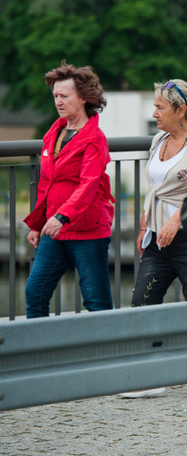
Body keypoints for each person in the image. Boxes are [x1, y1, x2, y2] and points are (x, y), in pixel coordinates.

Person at [118, 80, 187, 399]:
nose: (154, 112)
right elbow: (152, 190)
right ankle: (149, 377)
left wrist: (175, 221)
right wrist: (144, 227)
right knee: (141, 303)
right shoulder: (158, 140)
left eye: (160, 107)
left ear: (181, 110)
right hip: (157, 238)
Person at [24, 63, 114, 319]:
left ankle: (104, 355)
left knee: (96, 301)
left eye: (64, 96)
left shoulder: (94, 138)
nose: (58, 101)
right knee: (35, 292)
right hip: (55, 229)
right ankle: (40, 352)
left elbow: (89, 183)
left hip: (87, 230)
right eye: (55, 96)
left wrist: (62, 216)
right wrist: (37, 223)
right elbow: (47, 184)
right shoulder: (54, 133)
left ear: (83, 97)